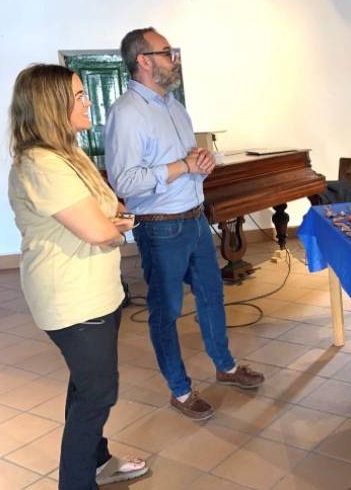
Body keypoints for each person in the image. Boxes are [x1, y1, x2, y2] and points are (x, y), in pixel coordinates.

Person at [105, 28, 264, 421]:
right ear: (143, 60)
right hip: (160, 228)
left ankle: (225, 367)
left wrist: (201, 165)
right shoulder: (126, 113)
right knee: (166, 310)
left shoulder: (175, 106)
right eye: (166, 52)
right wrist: (183, 166)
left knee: (212, 296)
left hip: (194, 220)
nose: (174, 59)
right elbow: (124, 182)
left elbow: (186, 164)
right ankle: (179, 389)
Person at [8, 64, 148, 489]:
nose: (89, 101)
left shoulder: (68, 153)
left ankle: (99, 461)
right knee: (97, 394)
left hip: (93, 291)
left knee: (86, 384)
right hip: (71, 298)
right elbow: (100, 228)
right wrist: (116, 225)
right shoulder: (42, 163)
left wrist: (114, 221)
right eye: (79, 95)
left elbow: (109, 211)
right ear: (52, 105)